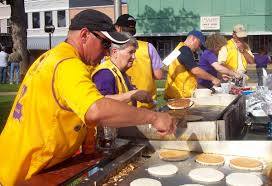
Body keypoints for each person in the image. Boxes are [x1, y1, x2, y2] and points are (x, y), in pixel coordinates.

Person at [0, 9, 176, 185]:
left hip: (23, 163)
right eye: (105, 44)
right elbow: (96, 110)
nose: (107, 52)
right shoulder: (68, 64)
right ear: (84, 35)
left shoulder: (54, 57)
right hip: (21, 173)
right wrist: (153, 117)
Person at [114, 14, 164, 108]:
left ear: (118, 28)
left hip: (121, 107)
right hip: (147, 105)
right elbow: (159, 75)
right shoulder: (148, 47)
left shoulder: (111, 50)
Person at [92, 32, 152, 105]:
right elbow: (101, 102)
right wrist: (132, 94)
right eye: (130, 52)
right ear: (115, 52)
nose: (134, 57)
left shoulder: (120, 71)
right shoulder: (105, 73)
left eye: (134, 53)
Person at [164, 30, 221, 99]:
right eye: (199, 44)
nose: (198, 48)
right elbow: (196, 70)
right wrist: (213, 79)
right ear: (193, 39)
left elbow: (164, 68)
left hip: (172, 93)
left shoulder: (177, 50)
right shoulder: (185, 50)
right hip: (181, 96)